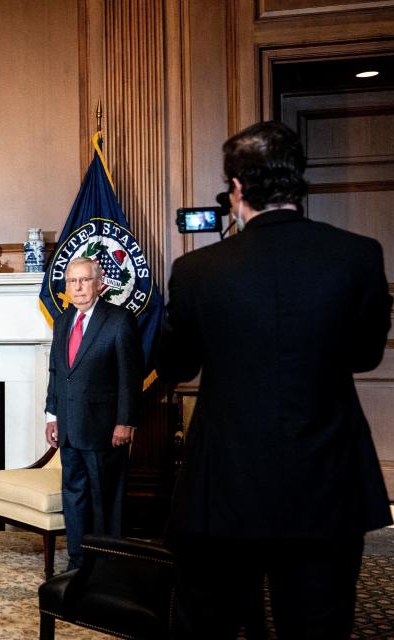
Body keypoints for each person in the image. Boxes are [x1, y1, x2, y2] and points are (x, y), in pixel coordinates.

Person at [157, 121, 393, 638]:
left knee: (208, 626)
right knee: (318, 627)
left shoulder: (198, 269)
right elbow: (366, 354)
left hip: (224, 486)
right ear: (298, 181)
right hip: (326, 482)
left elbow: (176, 365)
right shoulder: (359, 255)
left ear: (236, 188)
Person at [44, 257, 142, 571]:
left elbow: (130, 376)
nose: (78, 287)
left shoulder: (119, 319)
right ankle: (78, 562)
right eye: (72, 281)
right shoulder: (62, 321)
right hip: (69, 428)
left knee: (105, 501)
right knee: (74, 498)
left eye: (85, 280)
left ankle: (107, 566)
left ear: (99, 284)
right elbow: (57, 372)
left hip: (104, 429)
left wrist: (125, 421)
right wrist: (51, 414)